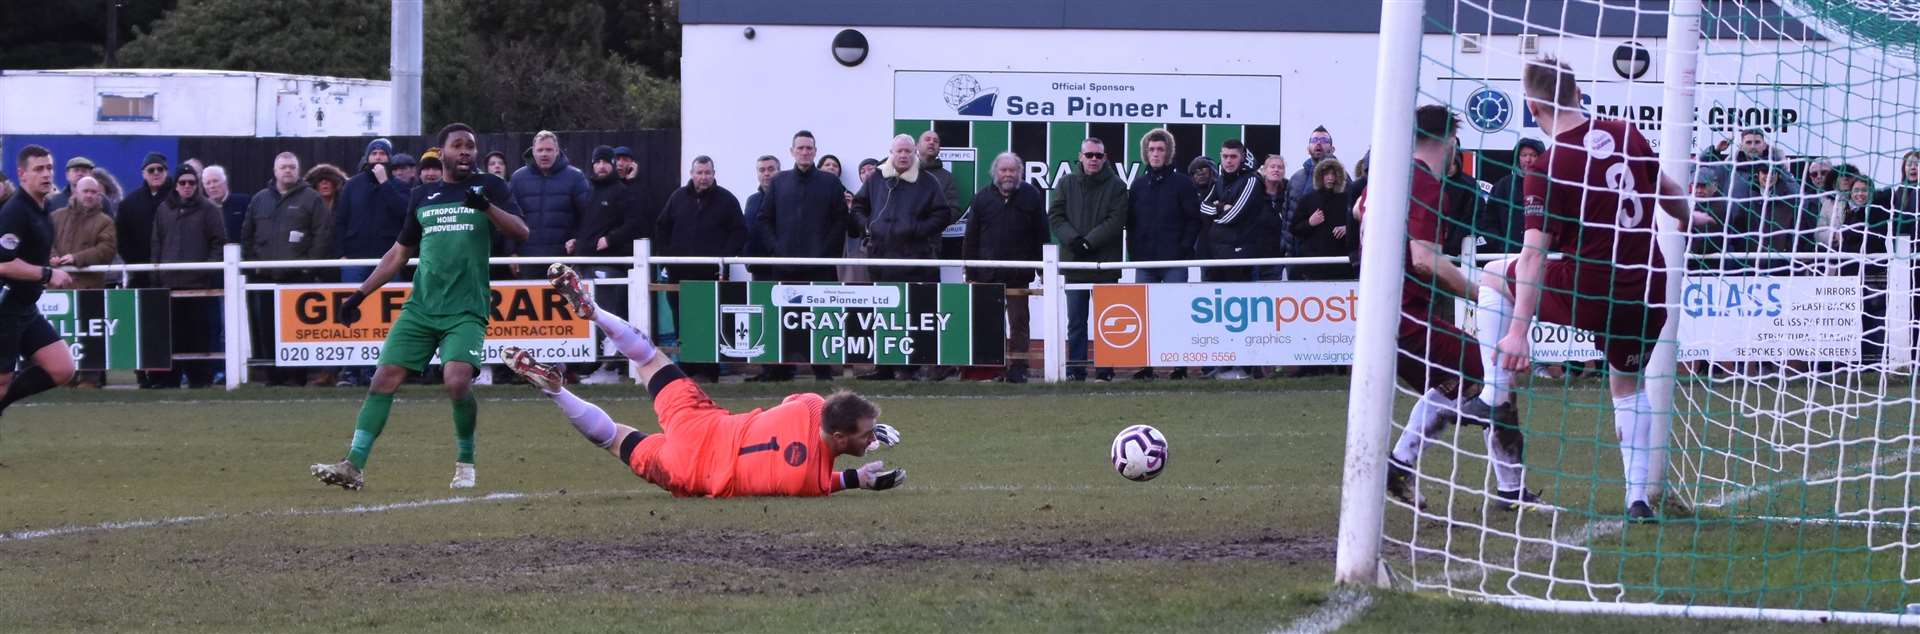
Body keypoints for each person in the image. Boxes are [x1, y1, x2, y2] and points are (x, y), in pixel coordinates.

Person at [1466, 57, 1713, 522]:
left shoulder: (1548, 164)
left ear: (1532, 106)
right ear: (1578, 94)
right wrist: (1687, 217)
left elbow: (1534, 254)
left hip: (1594, 287)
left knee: (1496, 273)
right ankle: (1637, 498)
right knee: (1627, 387)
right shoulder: (1626, 132)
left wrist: (1519, 333)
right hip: (1647, 289)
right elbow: (1663, 187)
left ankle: (1494, 392)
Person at [502, 263, 904, 498]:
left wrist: (860, 433)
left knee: (646, 355)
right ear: (837, 438)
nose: (869, 441)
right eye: (866, 436)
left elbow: (803, 412)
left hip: (704, 424)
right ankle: (557, 391)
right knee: (612, 439)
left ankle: (596, 313)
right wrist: (857, 479)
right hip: (692, 471)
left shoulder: (810, 404)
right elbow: (826, 478)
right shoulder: (808, 480)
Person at [310, 122, 530, 491]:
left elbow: (521, 232)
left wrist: (488, 207)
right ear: (441, 152)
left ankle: (466, 462)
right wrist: (360, 294)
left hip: (466, 308)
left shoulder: (489, 188)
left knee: (457, 382)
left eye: (470, 146)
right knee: (382, 380)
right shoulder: (422, 196)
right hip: (421, 308)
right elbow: (399, 253)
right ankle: (354, 465)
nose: (465, 152)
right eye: (457, 145)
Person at [1349, 107, 1493, 511]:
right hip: (1405, 317)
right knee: (1486, 367)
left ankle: (1404, 464)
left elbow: (1359, 211)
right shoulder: (1426, 184)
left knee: (1459, 379)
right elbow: (1426, 261)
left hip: (1381, 313)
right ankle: (1401, 463)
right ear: (1448, 142)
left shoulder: (1384, 178)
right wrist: (1482, 292)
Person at [851, 134, 953, 382]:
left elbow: (942, 214)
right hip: (881, 260)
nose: (904, 155)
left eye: (908, 151)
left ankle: (910, 367)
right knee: (882, 315)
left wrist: (918, 230)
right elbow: (858, 207)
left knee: (913, 315)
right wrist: (868, 227)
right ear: (891, 153)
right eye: (899, 151)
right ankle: (884, 367)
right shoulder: (876, 178)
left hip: (916, 261)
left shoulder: (927, 181)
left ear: (915, 153)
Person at [754, 131, 848, 382]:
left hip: (820, 266)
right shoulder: (779, 182)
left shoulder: (830, 183)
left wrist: (826, 253)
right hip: (785, 266)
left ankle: (823, 372)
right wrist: (777, 248)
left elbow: (840, 221)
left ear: (815, 151)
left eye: (809, 148)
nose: (805, 152)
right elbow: (764, 219)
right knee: (786, 320)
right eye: (801, 148)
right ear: (792, 151)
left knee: (820, 320)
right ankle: (782, 370)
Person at [0, 146, 78, 422]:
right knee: (2, 380)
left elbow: (27, 253)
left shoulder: (43, 207)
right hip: (5, 306)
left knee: (62, 368)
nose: (46, 174)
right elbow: (4, 263)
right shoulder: (15, 212)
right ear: (22, 174)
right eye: (38, 169)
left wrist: (49, 263)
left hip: (26, 307)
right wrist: (46, 274)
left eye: (49, 168)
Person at [655, 156, 747, 383]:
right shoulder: (677, 198)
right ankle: (686, 371)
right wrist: (668, 258)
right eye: (700, 172)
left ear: (714, 174)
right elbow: (661, 227)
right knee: (682, 322)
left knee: (709, 323)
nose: (704, 177)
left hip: (711, 274)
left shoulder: (726, 200)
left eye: (708, 173)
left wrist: (723, 258)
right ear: (691, 173)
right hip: (680, 274)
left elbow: (739, 232)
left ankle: (709, 371)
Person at [963, 152, 1047, 383]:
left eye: (1012, 170)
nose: (1008, 174)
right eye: (1004, 170)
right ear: (995, 173)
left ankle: (1019, 366)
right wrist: (970, 272)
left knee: (1019, 321)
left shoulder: (1032, 196)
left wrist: (1043, 271)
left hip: (1019, 274)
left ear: (1019, 173)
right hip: (987, 275)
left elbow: (1041, 234)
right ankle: (993, 367)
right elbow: (971, 238)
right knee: (990, 323)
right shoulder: (981, 198)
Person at [1049, 137, 1127, 382]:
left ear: (1105, 158)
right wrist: (1073, 240)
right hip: (1075, 264)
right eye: (1089, 155)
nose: (1094, 159)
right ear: (1080, 156)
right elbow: (1056, 215)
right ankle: (1076, 370)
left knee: (1107, 323)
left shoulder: (1117, 186)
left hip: (1105, 265)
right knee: (1076, 322)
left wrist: (1088, 242)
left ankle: (1105, 371)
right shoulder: (1066, 182)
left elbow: (1116, 221)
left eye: (1098, 156)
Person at [1127, 129, 1202, 381]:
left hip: (1174, 262)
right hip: (1145, 262)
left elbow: (1193, 221)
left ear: (1168, 152)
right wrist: (1135, 252)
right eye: (1151, 149)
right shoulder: (1138, 185)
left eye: (1160, 149)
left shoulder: (1182, 183)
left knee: (1176, 314)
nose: (1156, 154)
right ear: (1145, 153)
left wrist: (1182, 250)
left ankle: (1178, 366)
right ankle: (1144, 366)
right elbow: (1131, 222)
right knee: (1144, 315)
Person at [572, 145, 649, 384]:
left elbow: (634, 223)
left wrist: (610, 239)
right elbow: (585, 224)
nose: (602, 166)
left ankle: (612, 364)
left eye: (606, 161)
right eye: (598, 162)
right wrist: (576, 239)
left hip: (610, 265)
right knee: (583, 313)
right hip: (584, 264)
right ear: (593, 165)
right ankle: (586, 363)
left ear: (612, 165)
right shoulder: (588, 191)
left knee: (607, 315)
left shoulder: (622, 191)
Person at [152, 164, 227, 389]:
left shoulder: (210, 209)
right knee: (172, 335)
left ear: (197, 185)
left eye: (191, 183)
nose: (187, 187)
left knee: (200, 335)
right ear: (176, 185)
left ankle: (201, 378)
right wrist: (157, 272)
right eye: (183, 182)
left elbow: (218, 242)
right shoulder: (164, 209)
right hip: (170, 284)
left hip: (199, 285)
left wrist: (208, 268)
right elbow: (157, 242)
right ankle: (169, 379)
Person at [50, 175, 116, 388]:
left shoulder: (105, 221)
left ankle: (89, 379)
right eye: (85, 191)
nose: (88, 195)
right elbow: (42, 241)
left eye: (93, 192)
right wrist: (51, 257)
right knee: (59, 336)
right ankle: (61, 378)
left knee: (90, 337)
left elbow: (106, 250)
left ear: (99, 195)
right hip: (57, 289)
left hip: (89, 289)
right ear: (75, 192)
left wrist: (77, 258)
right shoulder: (56, 217)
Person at [1199, 140, 1268, 286]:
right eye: (1225, 156)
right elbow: (1202, 207)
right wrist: (1220, 208)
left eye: (1233, 156)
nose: (1228, 161)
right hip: (1216, 255)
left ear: (1242, 157)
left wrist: (1216, 215)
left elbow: (1232, 216)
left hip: (1240, 257)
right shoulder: (1220, 180)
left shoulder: (1252, 180)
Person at [1291, 157, 1355, 280]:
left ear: (1340, 177)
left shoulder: (1348, 199)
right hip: (1313, 265)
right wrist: (1310, 223)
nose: (1330, 177)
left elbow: (1360, 225)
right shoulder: (1308, 199)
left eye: (1334, 174)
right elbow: (1294, 229)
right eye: (1326, 174)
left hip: (1341, 264)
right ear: (1320, 176)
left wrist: (1348, 228)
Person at [1482, 139, 1545, 254]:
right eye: (1524, 155)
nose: (1528, 160)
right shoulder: (1503, 185)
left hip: (1542, 254)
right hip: (1508, 254)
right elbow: (1489, 219)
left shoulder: (1550, 185)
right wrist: (1498, 243)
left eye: (1533, 155)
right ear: (1517, 158)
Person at [202, 165, 253, 244]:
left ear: (225, 182)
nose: (212, 186)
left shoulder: (244, 202)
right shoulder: (202, 209)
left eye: (215, 181)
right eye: (208, 183)